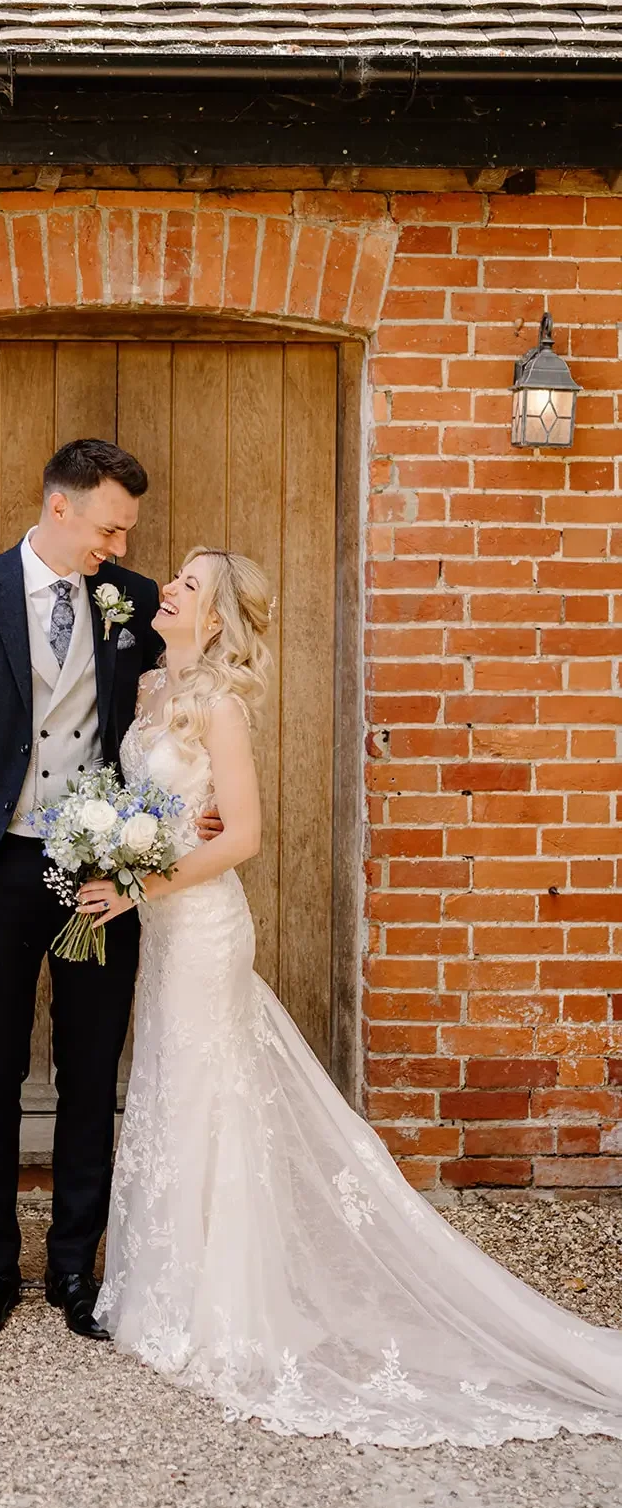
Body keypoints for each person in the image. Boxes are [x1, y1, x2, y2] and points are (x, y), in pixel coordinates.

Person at [80, 546, 622, 1448]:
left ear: (213, 621)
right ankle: (166, 1289)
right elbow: (157, 809)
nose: (166, 590)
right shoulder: (144, 693)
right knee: (176, 1093)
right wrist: (121, 849)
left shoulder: (216, 706)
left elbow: (243, 835)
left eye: (186, 586)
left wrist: (137, 886)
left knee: (210, 1094)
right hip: (165, 929)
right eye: (171, 578)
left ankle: (222, 1305)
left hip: (203, 924)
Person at [0, 440, 221, 1344]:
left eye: (128, 531)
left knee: (88, 1069)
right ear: (60, 508)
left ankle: (76, 1265)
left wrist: (202, 806)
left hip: (100, 873)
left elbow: (187, 698)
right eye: (110, 525)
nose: (119, 544)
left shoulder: (136, 598)